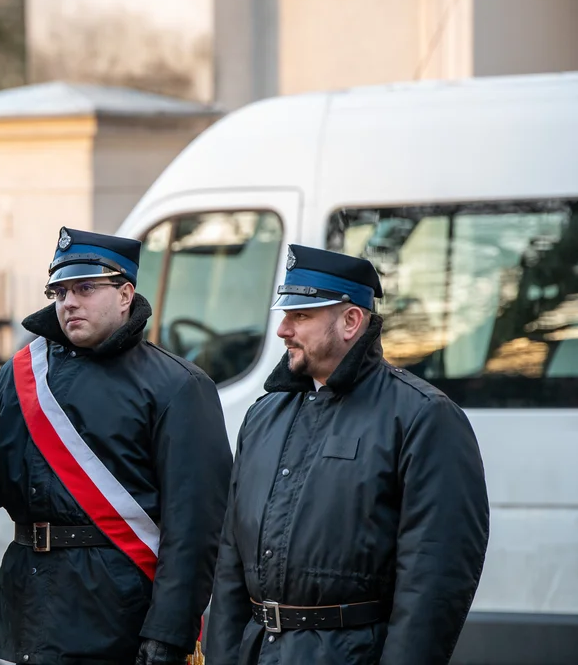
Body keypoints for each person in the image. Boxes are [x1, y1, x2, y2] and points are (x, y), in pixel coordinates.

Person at [0, 227, 234, 665]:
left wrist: (168, 635)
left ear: (125, 294)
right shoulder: (21, 375)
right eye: (60, 291)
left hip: (117, 620)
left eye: (85, 288)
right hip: (29, 608)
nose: (68, 302)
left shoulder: (178, 387)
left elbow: (194, 532)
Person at [205, 244, 490, 665]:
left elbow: (435, 578)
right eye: (285, 315)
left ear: (351, 321)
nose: (283, 330)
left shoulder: (423, 417)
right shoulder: (263, 416)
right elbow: (231, 558)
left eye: (300, 316)